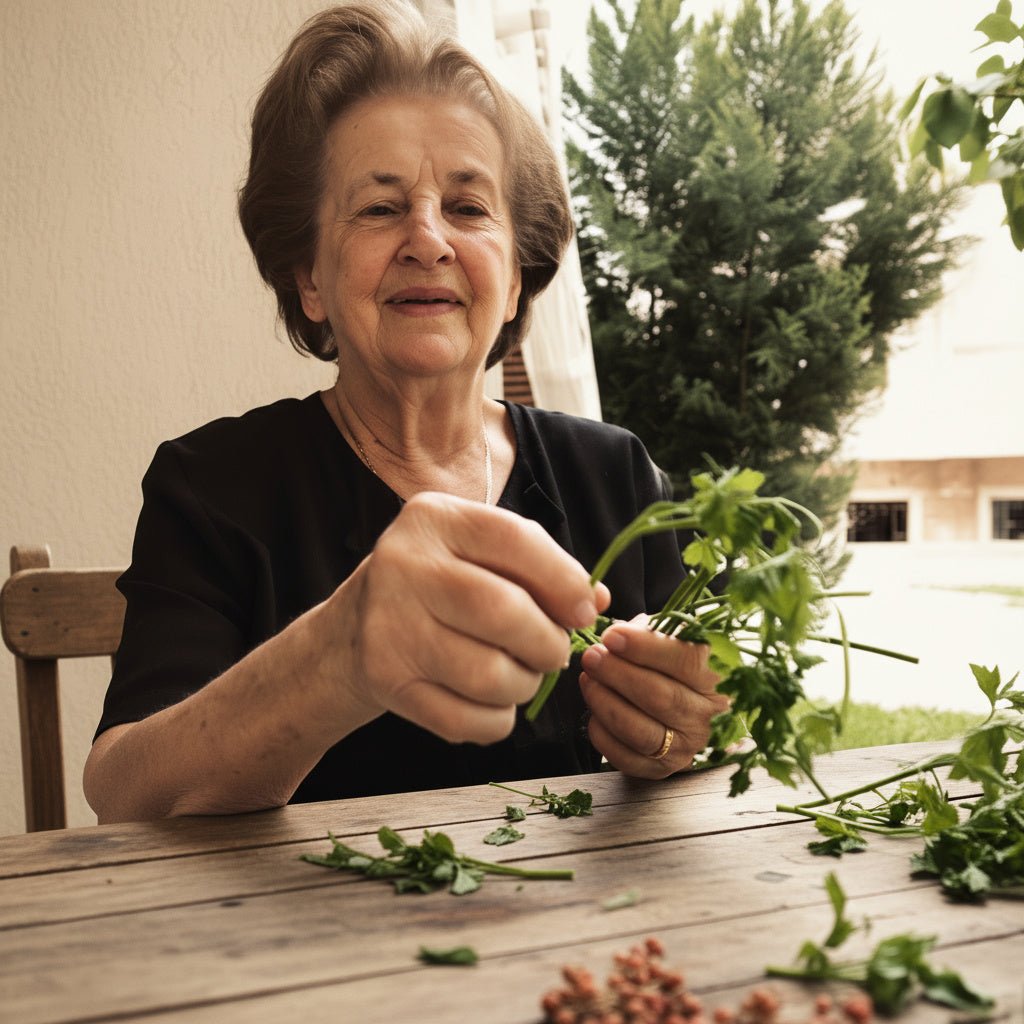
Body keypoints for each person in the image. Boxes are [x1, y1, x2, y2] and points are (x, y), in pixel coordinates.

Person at [83, 0, 727, 823]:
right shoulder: (213, 487)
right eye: (382, 208)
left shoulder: (615, 475)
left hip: (584, 940)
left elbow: (720, 728)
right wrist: (337, 657)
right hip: (295, 943)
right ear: (309, 278)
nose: (429, 239)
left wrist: (682, 733)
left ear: (517, 278)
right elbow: (123, 795)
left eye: (467, 207)